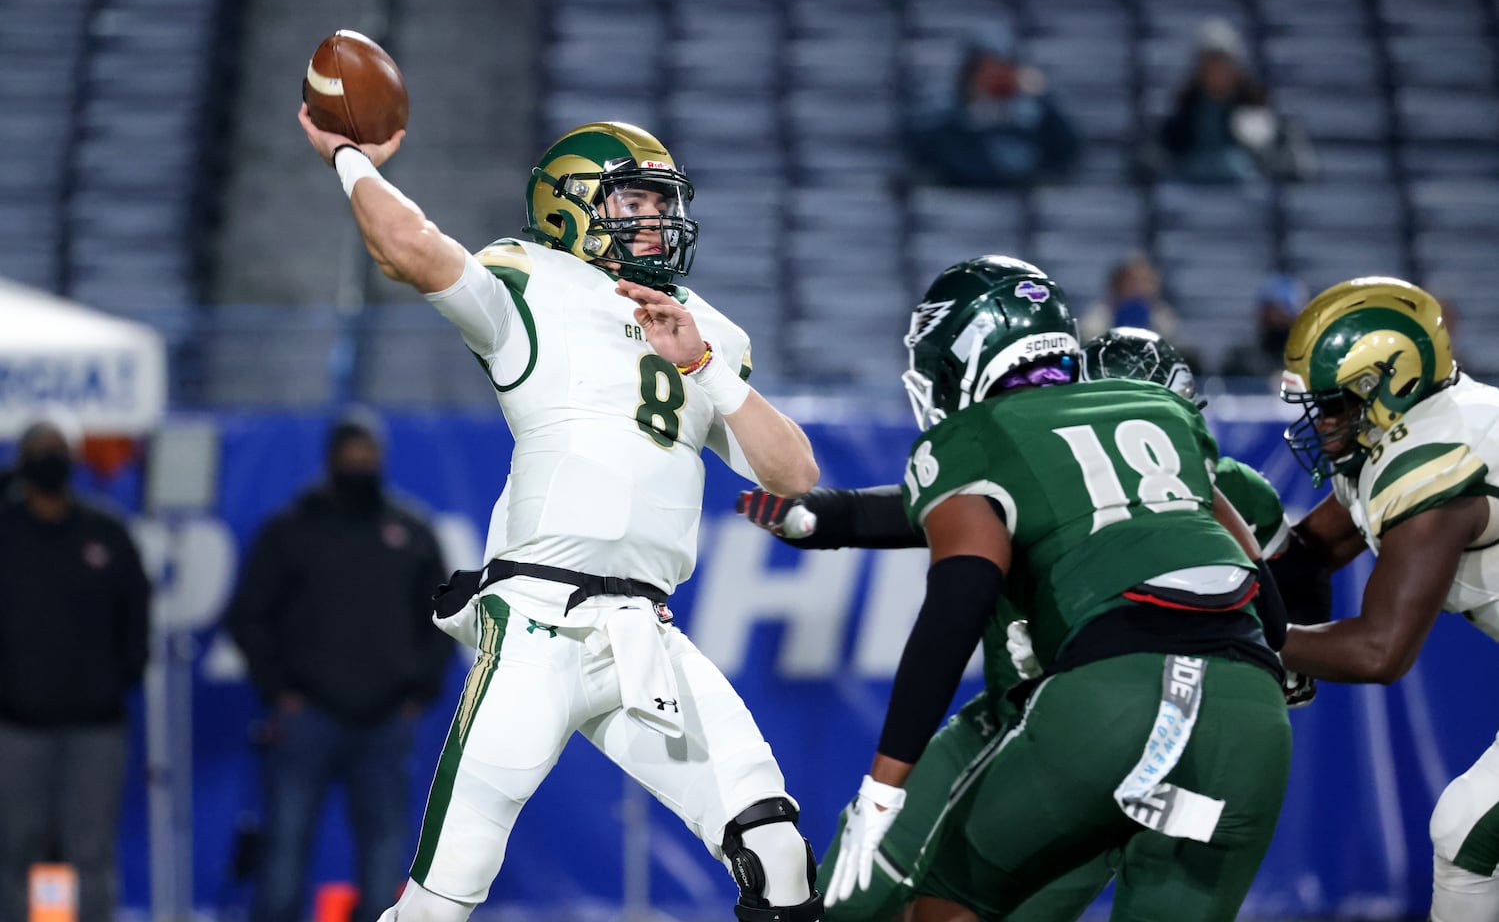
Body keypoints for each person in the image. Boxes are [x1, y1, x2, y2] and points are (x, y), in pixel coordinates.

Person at [297, 107, 824, 922]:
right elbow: (404, 249)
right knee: (442, 898)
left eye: (660, 204)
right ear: (568, 206)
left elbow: (794, 475)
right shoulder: (529, 278)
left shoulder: (706, 328)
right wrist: (348, 160)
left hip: (643, 632)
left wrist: (705, 367)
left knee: (774, 849)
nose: (656, 220)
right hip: (538, 618)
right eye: (634, 202)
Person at [737, 324, 1295, 922]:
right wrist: (820, 517)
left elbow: (1287, 595)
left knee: (947, 900)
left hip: (1084, 719)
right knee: (866, 900)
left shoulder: (1218, 487)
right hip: (1055, 716)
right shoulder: (1053, 465)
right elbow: (903, 511)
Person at [1275, 276, 1499, 921]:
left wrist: (1244, 637)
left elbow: (1380, 652)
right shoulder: (1407, 430)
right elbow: (1310, 551)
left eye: (1337, 403)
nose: (1322, 422)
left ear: (1389, 387)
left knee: (1466, 831)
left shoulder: (1436, 459)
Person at [225, 414, 453, 922]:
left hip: (387, 719)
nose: (360, 466)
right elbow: (248, 615)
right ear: (329, 463)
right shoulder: (291, 530)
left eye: (368, 458)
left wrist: (420, 689)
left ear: (382, 462)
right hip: (307, 715)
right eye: (350, 458)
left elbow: (446, 618)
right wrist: (277, 688)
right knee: (283, 853)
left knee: (385, 857)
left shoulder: (410, 532)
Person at [0, 418, 151, 922]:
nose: (51, 458)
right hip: (16, 726)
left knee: (89, 852)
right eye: (41, 450)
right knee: (17, 851)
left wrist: (118, 680)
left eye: (58, 449)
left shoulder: (105, 532)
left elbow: (136, 616)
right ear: (22, 462)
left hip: (96, 726)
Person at [903, 21, 1080, 188]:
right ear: (969, 71)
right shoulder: (943, 115)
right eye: (987, 68)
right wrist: (969, 115)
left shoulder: (1034, 116)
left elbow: (1068, 150)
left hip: (1021, 205)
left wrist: (1043, 98)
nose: (995, 77)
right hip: (960, 202)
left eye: (1004, 68)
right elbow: (919, 147)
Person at [1150, 18, 1314, 184]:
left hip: (1243, 189)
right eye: (1210, 64)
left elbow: (1281, 162)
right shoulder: (1183, 116)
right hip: (1192, 185)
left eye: (1222, 64)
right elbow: (1163, 156)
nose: (1216, 72)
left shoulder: (1256, 112)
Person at [1222, 274, 1309, 381]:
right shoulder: (1242, 358)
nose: (1277, 319)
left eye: (1285, 314)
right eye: (1272, 311)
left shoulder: (1311, 361)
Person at [1076, 254, 1180, 343]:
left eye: (1146, 283)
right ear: (1117, 285)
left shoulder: (1163, 319)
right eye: (1133, 282)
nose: (1139, 289)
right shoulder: (1097, 318)